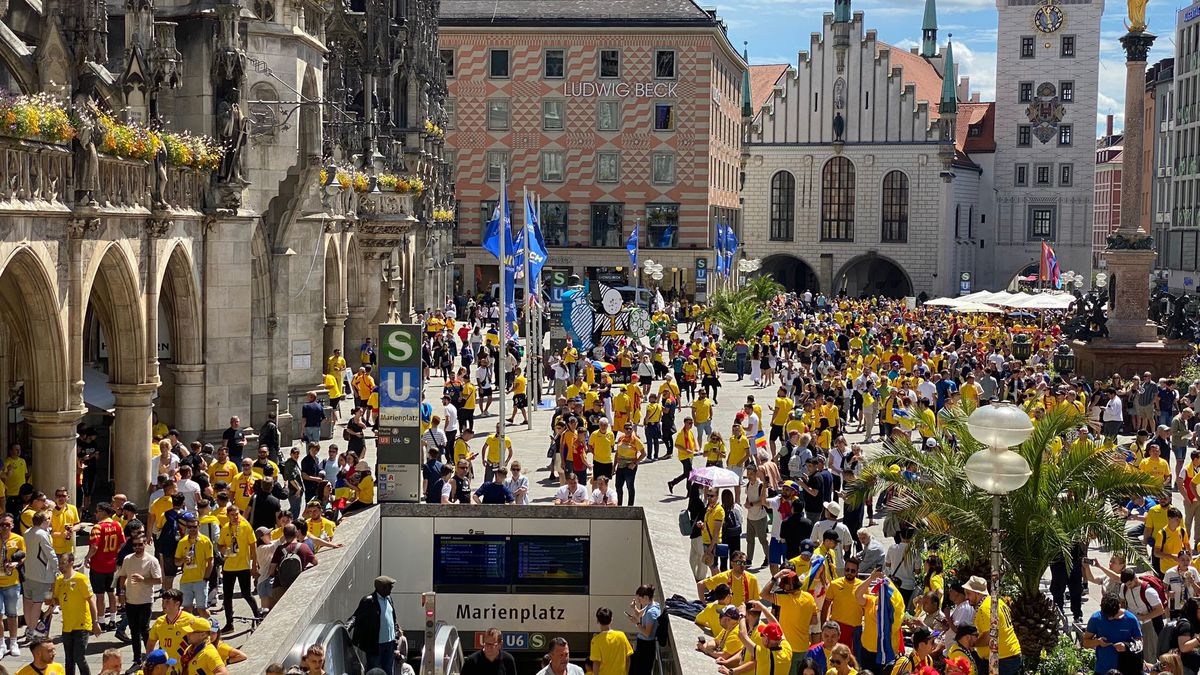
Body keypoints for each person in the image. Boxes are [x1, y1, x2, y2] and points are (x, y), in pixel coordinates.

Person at [48, 552, 98, 675]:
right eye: (60, 563)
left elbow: (91, 600)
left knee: (79, 657)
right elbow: (57, 601)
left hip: (81, 624)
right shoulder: (59, 580)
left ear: (71, 563)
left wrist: (95, 622)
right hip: (67, 625)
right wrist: (50, 600)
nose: (61, 566)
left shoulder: (81, 579)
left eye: (63, 563)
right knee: (69, 659)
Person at [965, 575, 1022, 675]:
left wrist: (972, 644)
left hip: (1002, 660)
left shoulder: (984, 609)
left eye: (968, 593)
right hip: (1009, 656)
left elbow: (989, 637)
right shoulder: (997, 601)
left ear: (977, 593)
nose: (966, 597)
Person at [118, 534, 161, 663]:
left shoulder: (152, 560)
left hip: (146, 600)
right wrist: (121, 593)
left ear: (145, 544)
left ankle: (150, 656)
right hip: (131, 600)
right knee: (134, 630)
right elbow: (122, 576)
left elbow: (159, 580)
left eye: (140, 545)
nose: (137, 547)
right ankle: (137, 658)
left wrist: (144, 580)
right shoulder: (127, 559)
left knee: (144, 629)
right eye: (135, 545)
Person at [218, 503, 260, 628]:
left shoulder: (245, 526)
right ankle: (229, 623)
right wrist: (223, 550)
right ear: (228, 516)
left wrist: (254, 565)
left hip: (243, 566)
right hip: (229, 567)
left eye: (237, 514)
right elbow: (220, 544)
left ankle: (257, 616)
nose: (235, 517)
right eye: (232, 515)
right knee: (227, 596)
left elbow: (253, 545)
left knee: (246, 594)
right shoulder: (225, 528)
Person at [83, 502, 124, 631]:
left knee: (99, 595)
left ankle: (101, 621)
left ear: (103, 512)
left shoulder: (97, 528)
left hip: (98, 566)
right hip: (112, 566)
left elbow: (94, 547)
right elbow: (122, 544)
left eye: (97, 511)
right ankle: (113, 620)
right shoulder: (117, 525)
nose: (95, 514)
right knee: (112, 593)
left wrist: (87, 557)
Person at [350, 576, 401, 674]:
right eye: (389, 586)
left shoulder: (389, 599)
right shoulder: (369, 600)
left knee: (388, 670)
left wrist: (395, 635)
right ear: (382, 588)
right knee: (375, 671)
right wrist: (347, 627)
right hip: (376, 645)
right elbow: (356, 616)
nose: (392, 589)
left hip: (389, 643)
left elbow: (393, 618)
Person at [759, 569, 817, 653]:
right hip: (804, 646)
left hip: (787, 648)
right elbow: (814, 621)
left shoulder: (784, 599)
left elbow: (763, 594)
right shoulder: (809, 597)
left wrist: (776, 576)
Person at [1083, 595, 1142, 675]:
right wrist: (1097, 642)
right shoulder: (1096, 618)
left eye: (1113, 615)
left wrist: (1126, 646)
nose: (1110, 618)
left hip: (1125, 668)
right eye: (1107, 615)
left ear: (1119, 606)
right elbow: (1085, 642)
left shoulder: (1131, 619)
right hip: (1103, 669)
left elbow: (1140, 643)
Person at [22, 511, 55, 641]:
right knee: (37, 603)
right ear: (43, 521)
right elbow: (50, 554)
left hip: (28, 573)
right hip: (41, 575)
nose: (49, 520)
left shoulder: (27, 532)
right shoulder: (42, 534)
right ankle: (32, 630)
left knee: (27, 601)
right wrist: (57, 569)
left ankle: (29, 628)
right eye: (47, 518)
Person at [0, 513, 23, 657]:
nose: (4, 527)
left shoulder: (18, 539)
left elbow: (24, 556)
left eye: (7, 525)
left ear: (12, 525)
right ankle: (1, 643)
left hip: (12, 582)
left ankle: (13, 642)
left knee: (12, 614)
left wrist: (16, 563)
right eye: (1, 524)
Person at [627, 584, 660, 675]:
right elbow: (639, 614)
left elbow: (647, 633)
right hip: (643, 644)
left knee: (640, 671)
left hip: (646, 646)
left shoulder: (651, 612)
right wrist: (634, 608)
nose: (638, 601)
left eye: (639, 599)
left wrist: (637, 623)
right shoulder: (652, 606)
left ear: (645, 597)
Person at [589, 608, 632, 675]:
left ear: (597, 621)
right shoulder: (621, 636)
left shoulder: (596, 640)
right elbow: (628, 659)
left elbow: (596, 663)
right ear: (611, 619)